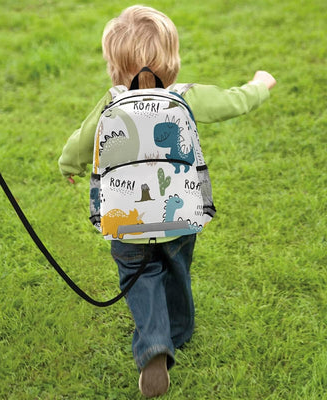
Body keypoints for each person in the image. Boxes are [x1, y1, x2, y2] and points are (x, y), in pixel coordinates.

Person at [58, 5, 276, 398]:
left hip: (125, 221)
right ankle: (179, 331)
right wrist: (261, 82)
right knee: (176, 266)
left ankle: (155, 344)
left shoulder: (110, 102)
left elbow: (81, 143)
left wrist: (66, 165)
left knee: (139, 278)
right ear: (172, 60)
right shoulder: (186, 97)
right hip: (180, 212)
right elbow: (233, 101)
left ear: (113, 65)